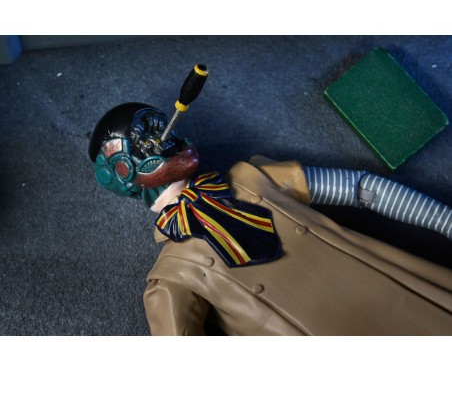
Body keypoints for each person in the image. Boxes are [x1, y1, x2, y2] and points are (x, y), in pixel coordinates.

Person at [89, 97, 452, 336]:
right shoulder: (170, 277)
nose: (163, 136)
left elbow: (361, 188)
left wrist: (445, 220)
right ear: (121, 171)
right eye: (144, 138)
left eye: (159, 124)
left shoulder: (253, 177)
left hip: (406, 298)